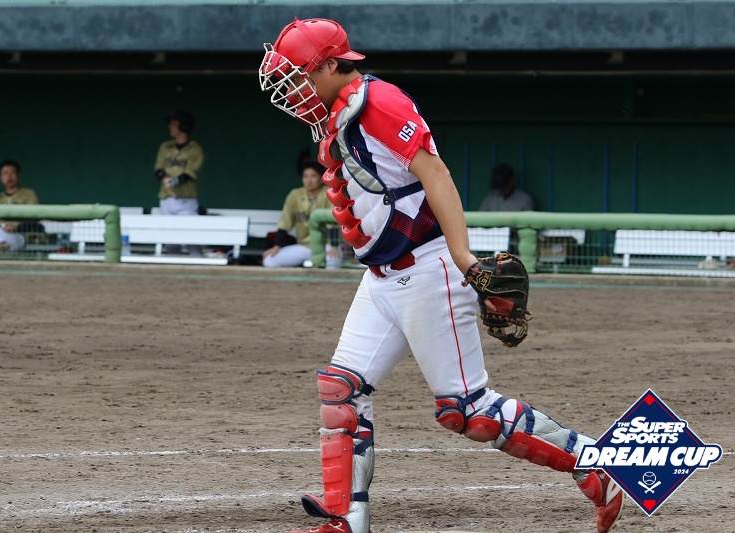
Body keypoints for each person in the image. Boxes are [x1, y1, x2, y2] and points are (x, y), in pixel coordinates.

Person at [258, 18, 623, 533]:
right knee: (341, 389)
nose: (294, 90)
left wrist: (464, 258)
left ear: (333, 66)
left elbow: (436, 173)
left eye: (301, 76)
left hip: (427, 269)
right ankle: (346, 518)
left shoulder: (379, 102)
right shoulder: (338, 115)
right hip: (381, 278)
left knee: (467, 411)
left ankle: (595, 465)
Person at [263, 156, 330, 268]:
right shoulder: (295, 195)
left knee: (333, 262)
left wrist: (334, 247)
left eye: (313, 176)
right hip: (304, 247)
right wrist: (276, 246)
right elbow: (284, 224)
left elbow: (336, 224)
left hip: (326, 246)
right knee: (269, 260)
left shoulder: (329, 193)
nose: (309, 180)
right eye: (305, 176)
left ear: (321, 178)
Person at [153, 109, 204, 254]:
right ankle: (172, 267)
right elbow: (158, 168)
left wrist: (175, 180)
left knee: (192, 238)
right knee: (170, 240)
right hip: (166, 198)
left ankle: (198, 263)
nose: (170, 127)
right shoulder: (165, 147)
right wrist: (164, 177)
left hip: (186, 200)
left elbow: (191, 172)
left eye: (174, 124)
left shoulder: (195, 149)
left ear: (184, 126)